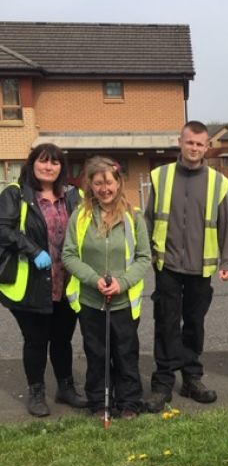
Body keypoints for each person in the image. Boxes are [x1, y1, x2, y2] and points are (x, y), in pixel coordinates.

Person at [145, 120, 228, 413]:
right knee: (166, 324)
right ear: (180, 143)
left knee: (194, 326)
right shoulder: (161, 176)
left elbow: (224, 224)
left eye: (200, 144)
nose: (194, 148)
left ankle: (192, 378)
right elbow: (148, 220)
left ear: (206, 147)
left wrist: (227, 261)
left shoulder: (219, 182)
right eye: (189, 142)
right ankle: (163, 383)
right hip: (167, 265)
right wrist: (144, 256)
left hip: (201, 268)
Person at [0, 144, 86, 417]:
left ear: (62, 167)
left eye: (55, 163)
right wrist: (33, 250)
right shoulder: (16, 193)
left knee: (62, 339)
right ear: (33, 163)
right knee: (35, 340)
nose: (49, 167)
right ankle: (36, 391)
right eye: (43, 161)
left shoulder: (74, 195)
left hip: (66, 281)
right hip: (31, 283)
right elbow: (2, 228)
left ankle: (66, 388)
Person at [63, 157, 151, 419]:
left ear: (118, 182)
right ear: (90, 184)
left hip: (123, 302)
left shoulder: (133, 217)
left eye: (109, 182)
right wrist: (93, 279)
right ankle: (99, 403)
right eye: (98, 183)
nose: (104, 188)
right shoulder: (80, 217)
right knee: (97, 354)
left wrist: (123, 283)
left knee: (125, 353)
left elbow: (144, 257)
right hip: (91, 300)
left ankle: (129, 402)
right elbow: (69, 255)